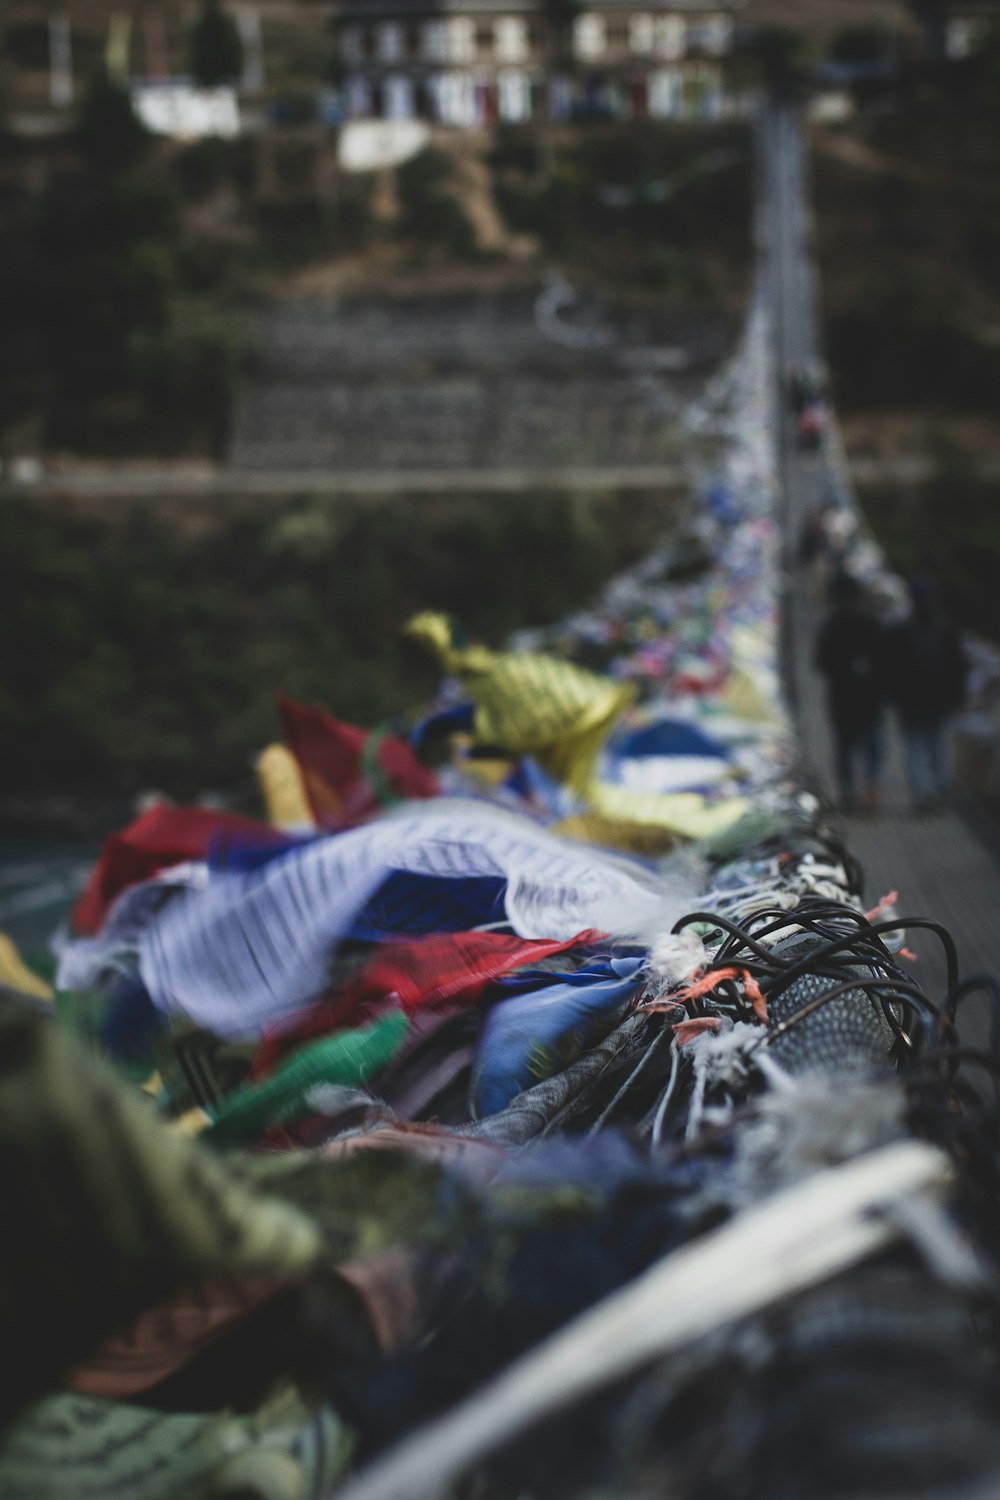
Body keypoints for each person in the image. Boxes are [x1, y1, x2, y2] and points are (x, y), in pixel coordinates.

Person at [887, 575, 969, 814]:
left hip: (911, 702)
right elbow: (959, 666)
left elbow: (894, 668)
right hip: (941, 700)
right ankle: (940, 792)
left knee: (916, 748)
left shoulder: (903, 630)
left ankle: (923, 795)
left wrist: (895, 697)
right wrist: (959, 697)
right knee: (939, 746)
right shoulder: (946, 629)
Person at [815, 570, 892, 816]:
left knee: (845, 747)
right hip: (871, 697)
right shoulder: (873, 623)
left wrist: (843, 669)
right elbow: (888, 660)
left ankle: (847, 793)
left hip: (843, 697)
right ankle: (870, 788)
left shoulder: (833, 625)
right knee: (873, 747)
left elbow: (821, 662)